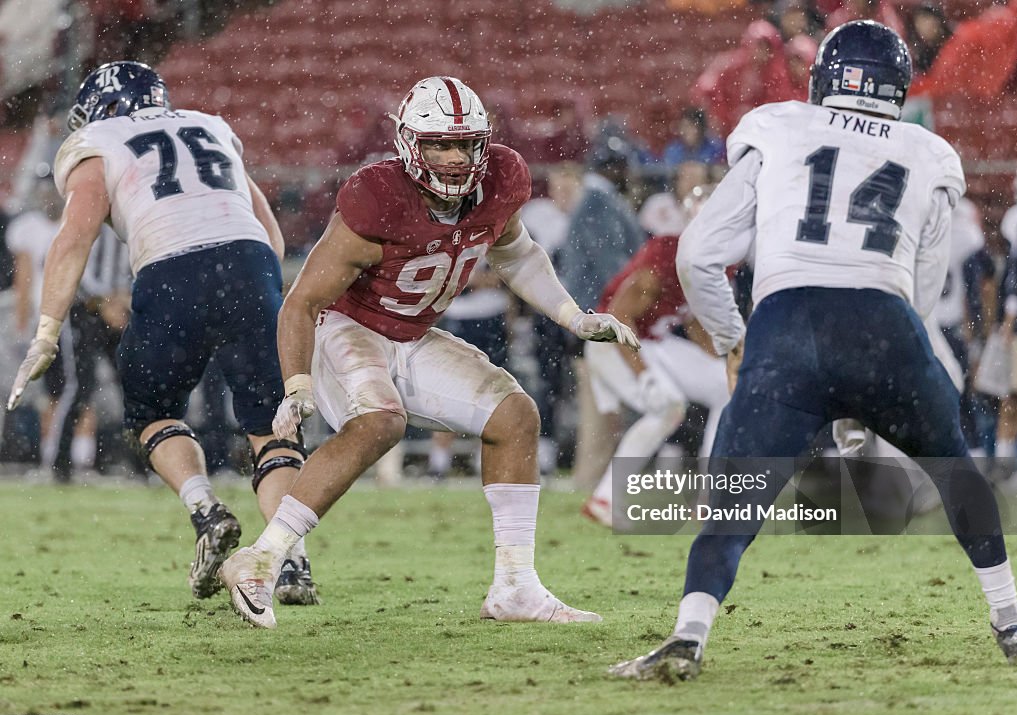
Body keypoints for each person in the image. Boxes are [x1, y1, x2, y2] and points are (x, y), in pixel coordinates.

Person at [611, 21, 1017, 681]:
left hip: (787, 321)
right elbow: (923, 287)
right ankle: (1011, 620)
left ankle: (688, 636)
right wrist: (877, 387)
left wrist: (734, 339)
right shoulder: (928, 151)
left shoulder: (778, 128)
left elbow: (698, 254)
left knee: (736, 496)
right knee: (956, 471)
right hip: (884, 323)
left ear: (824, 79)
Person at [218, 76, 639, 629]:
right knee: (381, 421)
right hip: (347, 326)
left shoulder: (501, 179)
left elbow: (516, 254)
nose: (456, 158)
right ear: (410, 143)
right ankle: (263, 558)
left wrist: (573, 317)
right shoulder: (376, 198)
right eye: (441, 143)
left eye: (466, 143)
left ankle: (516, 588)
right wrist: (296, 384)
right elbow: (301, 301)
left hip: (410, 333)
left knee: (515, 417)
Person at [5, 61, 317, 605]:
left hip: (172, 268)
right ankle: (290, 561)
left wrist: (47, 331)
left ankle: (206, 509)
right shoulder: (209, 125)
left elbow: (73, 237)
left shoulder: (99, 139)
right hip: (249, 263)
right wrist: (266, 300)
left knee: (153, 413)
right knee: (270, 428)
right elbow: (270, 231)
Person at [581, 228, 730, 527]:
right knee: (667, 408)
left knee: (727, 387)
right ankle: (604, 498)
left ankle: (710, 499)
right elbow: (619, 316)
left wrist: (730, 359)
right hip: (612, 339)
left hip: (654, 341)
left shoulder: (713, 264)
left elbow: (693, 324)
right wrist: (645, 376)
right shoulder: (668, 259)